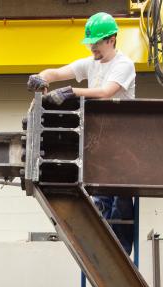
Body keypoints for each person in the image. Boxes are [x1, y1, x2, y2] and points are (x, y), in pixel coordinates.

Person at [27, 12, 136, 254]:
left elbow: (106, 92)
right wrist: (41, 77)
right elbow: (56, 73)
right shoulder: (91, 64)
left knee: (119, 206)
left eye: (96, 43)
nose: (92, 49)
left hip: (122, 143)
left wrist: (72, 92)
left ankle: (120, 252)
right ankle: (102, 245)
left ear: (111, 39)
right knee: (98, 199)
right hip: (98, 141)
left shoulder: (123, 65)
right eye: (90, 44)